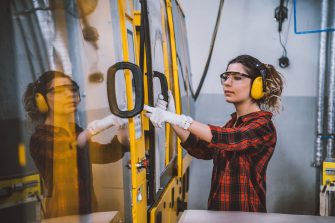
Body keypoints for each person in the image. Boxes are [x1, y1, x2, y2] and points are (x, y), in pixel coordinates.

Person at [144, 54, 284, 212]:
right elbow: (203, 149)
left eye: (237, 78)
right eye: (226, 77)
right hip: (220, 213)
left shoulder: (262, 125)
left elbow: (228, 139)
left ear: (258, 86)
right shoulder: (233, 123)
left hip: (246, 215)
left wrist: (179, 119)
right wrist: (173, 120)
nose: (227, 83)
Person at [23, 70, 129, 218]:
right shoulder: (40, 138)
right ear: (41, 100)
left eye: (71, 89)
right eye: (59, 91)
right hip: (61, 216)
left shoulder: (75, 131)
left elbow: (102, 154)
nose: (69, 95)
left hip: (87, 213)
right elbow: (66, 151)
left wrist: (123, 133)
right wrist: (95, 128)